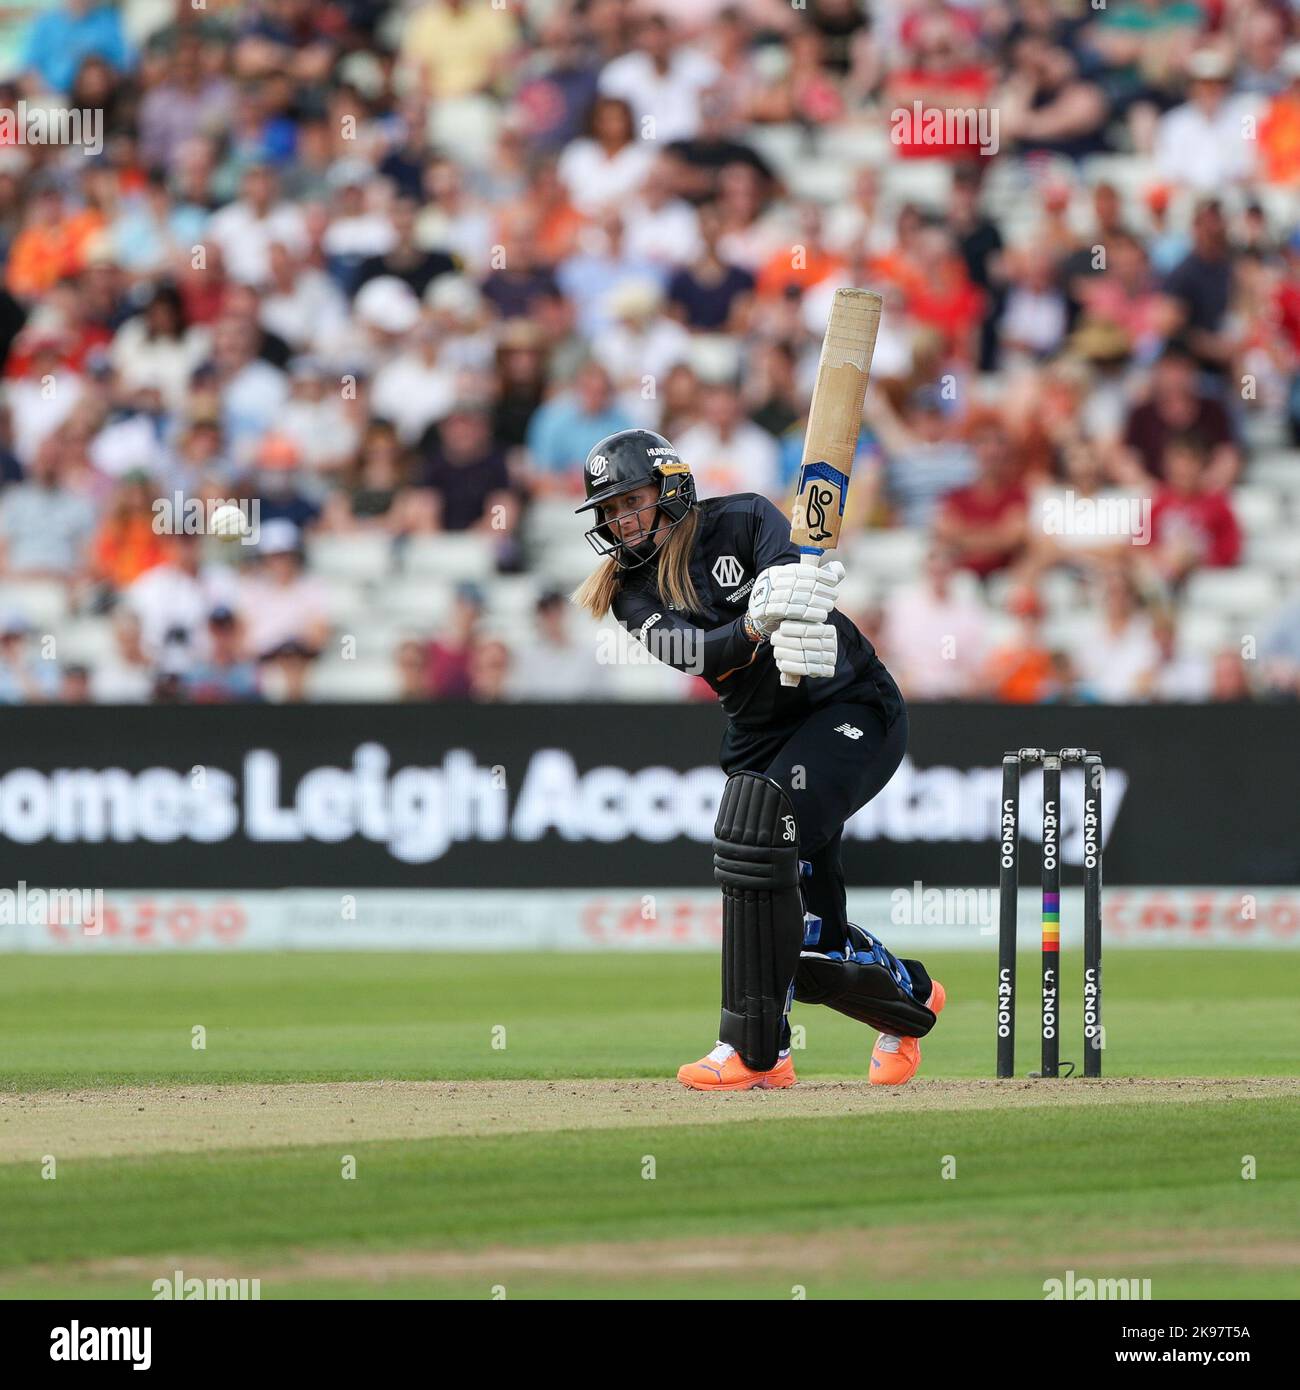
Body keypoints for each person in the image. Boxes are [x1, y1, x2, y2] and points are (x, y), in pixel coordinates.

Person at [571, 429, 943, 1091]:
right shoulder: (632, 592)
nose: (622, 520)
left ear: (670, 488)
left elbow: (795, 587)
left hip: (850, 707)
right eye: (610, 510)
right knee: (811, 947)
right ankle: (911, 997)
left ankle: (755, 1052)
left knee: (759, 836)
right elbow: (702, 655)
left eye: (632, 501)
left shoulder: (746, 518)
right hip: (763, 733)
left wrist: (797, 601)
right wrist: (753, 625)